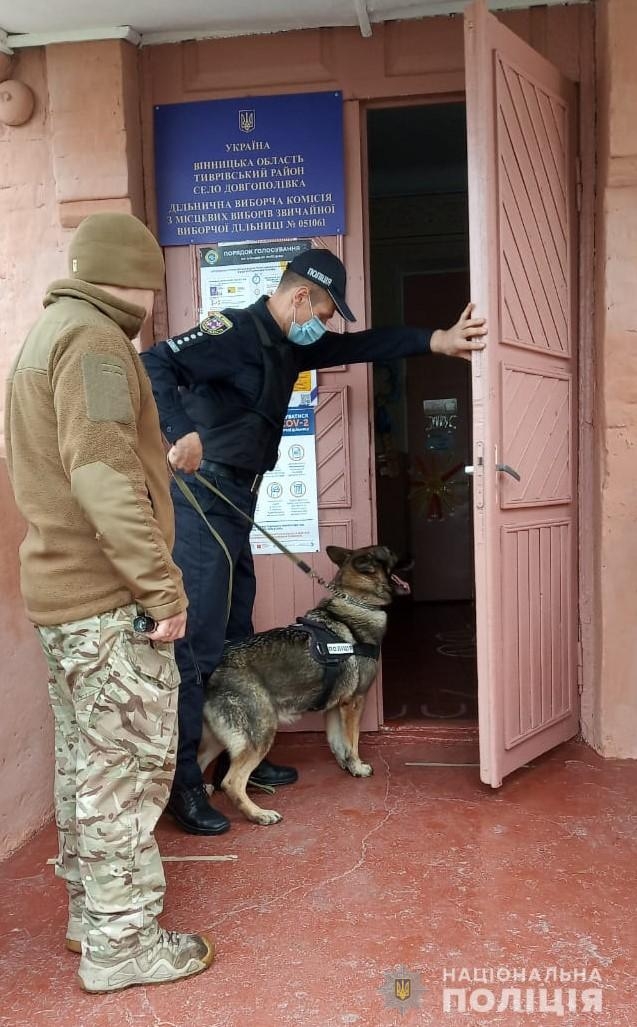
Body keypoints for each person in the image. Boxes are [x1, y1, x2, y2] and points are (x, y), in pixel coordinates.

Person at [142, 248, 487, 835]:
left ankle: (241, 750)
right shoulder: (234, 333)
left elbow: (361, 346)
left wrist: (437, 340)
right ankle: (184, 786)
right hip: (204, 498)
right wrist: (182, 433)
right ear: (300, 296)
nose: (325, 324)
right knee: (199, 643)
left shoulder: (289, 344)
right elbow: (155, 362)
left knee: (235, 629)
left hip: (237, 499)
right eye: (325, 311)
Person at [4, 213, 215, 993]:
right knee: (124, 771)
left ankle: (93, 917)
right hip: (106, 599)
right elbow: (96, 474)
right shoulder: (95, 340)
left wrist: (143, 462)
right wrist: (162, 586)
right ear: (136, 280)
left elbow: (74, 459)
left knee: (87, 766)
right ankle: (124, 946)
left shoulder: (45, 334)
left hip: (62, 593)